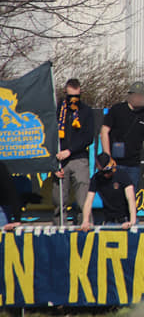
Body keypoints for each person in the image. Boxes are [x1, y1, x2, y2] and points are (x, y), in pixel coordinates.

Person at [53, 78, 94, 225]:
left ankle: (86, 226)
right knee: (59, 200)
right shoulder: (56, 111)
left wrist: (70, 151)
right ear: (65, 93)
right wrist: (53, 164)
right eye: (71, 96)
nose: (74, 99)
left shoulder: (86, 111)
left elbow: (88, 137)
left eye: (77, 96)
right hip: (60, 160)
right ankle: (59, 230)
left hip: (79, 158)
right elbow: (50, 138)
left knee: (83, 199)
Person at [100, 81, 144, 190]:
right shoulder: (116, 110)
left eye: (141, 96)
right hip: (115, 162)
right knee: (115, 193)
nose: (139, 98)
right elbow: (104, 132)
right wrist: (107, 156)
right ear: (130, 96)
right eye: (136, 96)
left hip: (134, 164)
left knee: (131, 195)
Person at [80, 153, 136, 230]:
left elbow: (131, 199)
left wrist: (132, 222)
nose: (106, 175)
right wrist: (85, 220)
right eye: (104, 173)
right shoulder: (96, 178)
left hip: (125, 219)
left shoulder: (122, 175)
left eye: (109, 171)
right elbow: (88, 201)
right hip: (110, 221)